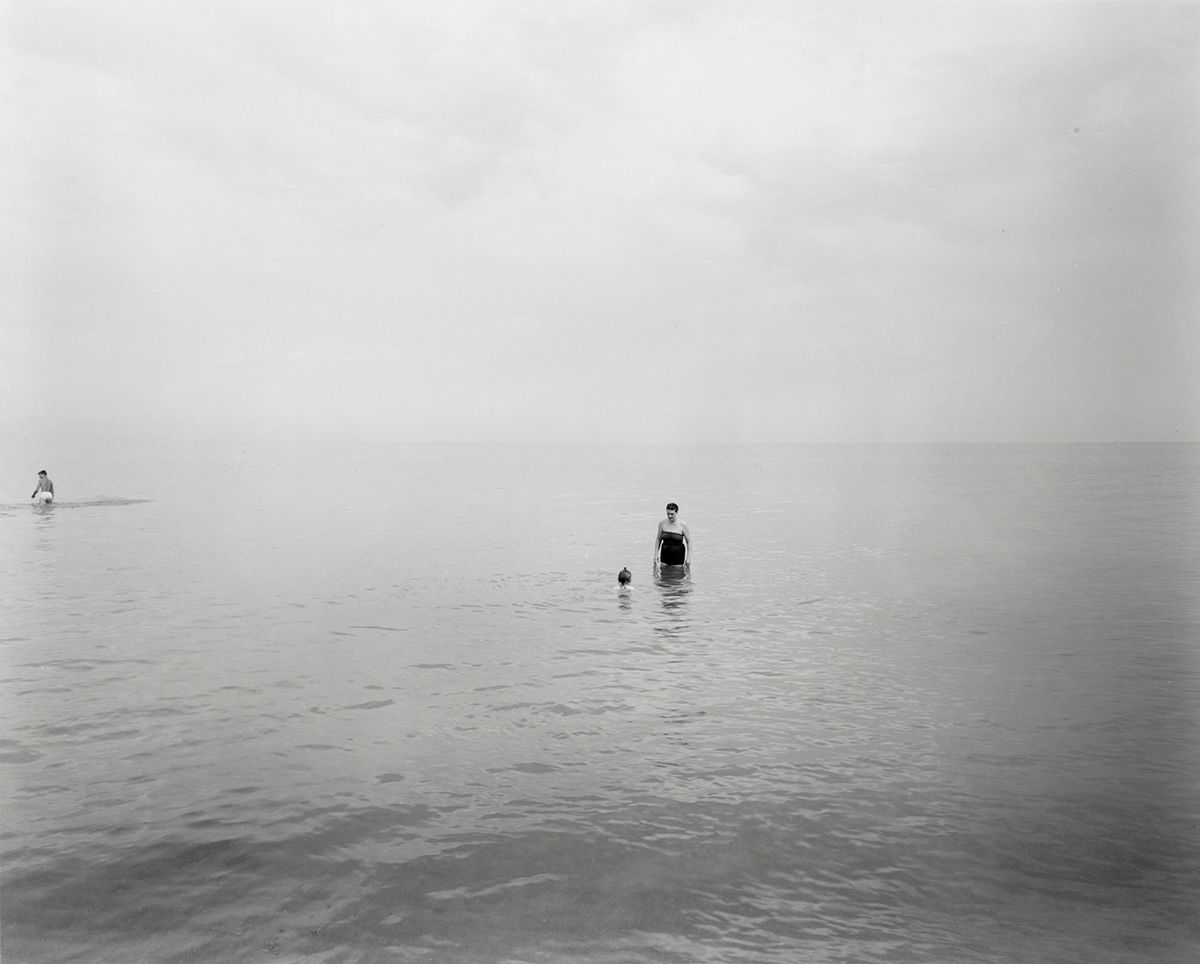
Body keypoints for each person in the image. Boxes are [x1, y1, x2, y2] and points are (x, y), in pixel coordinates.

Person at [654, 502, 690, 570]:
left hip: (678, 555)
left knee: (677, 576)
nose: (670, 516)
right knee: (664, 577)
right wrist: (656, 554)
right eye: (668, 514)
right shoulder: (662, 523)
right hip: (665, 554)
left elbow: (689, 542)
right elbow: (658, 539)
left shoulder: (682, 525)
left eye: (672, 514)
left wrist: (688, 558)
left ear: (676, 513)